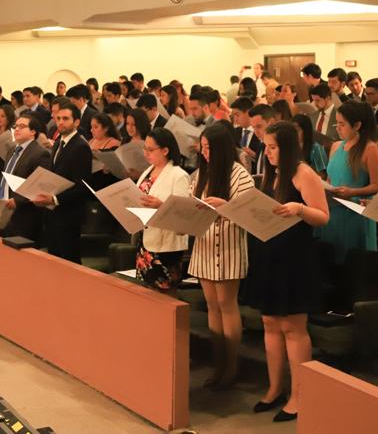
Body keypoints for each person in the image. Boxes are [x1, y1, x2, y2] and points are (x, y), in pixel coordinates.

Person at [245, 122, 330, 422]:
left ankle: (300, 394)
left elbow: (322, 216)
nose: (266, 153)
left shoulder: (303, 173)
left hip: (295, 258)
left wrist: (299, 209)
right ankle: (274, 387)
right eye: (266, 147)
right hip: (270, 253)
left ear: (288, 147)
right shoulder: (273, 172)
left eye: (272, 147)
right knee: (269, 322)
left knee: (293, 327)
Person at [189, 122, 256, 388]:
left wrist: (226, 207)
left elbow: (250, 213)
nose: (205, 154)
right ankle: (218, 362)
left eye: (209, 149)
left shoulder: (239, 174)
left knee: (227, 305)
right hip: (204, 245)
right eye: (202, 148)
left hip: (229, 244)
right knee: (212, 306)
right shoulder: (199, 176)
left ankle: (231, 365)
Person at [320, 102, 378, 261]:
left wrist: (353, 192)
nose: (337, 128)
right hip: (334, 208)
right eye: (336, 123)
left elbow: (377, 185)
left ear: (357, 125)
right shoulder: (336, 146)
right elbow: (330, 177)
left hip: (355, 212)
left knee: (353, 263)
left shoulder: (370, 150)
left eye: (342, 124)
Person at [134, 128, 192, 293]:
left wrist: (161, 205)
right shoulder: (148, 172)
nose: (145, 153)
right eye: (144, 148)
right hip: (145, 242)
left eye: (150, 149)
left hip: (166, 245)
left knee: (165, 295)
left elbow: (184, 213)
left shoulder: (178, 175)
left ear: (165, 150)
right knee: (146, 295)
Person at [33, 104, 92, 264]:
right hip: (54, 213)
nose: (60, 122)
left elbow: (82, 185)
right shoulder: (59, 141)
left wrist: (54, 199)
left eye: (65, 119)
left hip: (69, 214)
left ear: (77, 122)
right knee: (54, 260)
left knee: (69, 261)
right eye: (58, 118)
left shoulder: (81, 146)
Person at [0, 114, 51, 241]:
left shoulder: (40, 153)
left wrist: (18, 200)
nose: (16, 129)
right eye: (15, 126)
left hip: (25, 214)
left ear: (33, 131)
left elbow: (39, 185)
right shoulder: (11, 150)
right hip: (4, 210)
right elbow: (5, 177)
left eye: (22, 127)